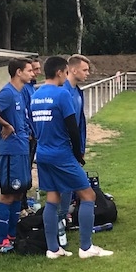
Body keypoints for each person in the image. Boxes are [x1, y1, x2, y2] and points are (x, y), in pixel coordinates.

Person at [30, 56, 113, 258]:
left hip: (43, 153)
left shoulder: (36, 95)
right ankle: (86, 247)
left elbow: (34, 127)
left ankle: (53, 249)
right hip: (61, 154)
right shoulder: (62, 94)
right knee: (88, 195)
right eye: (65, 72)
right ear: (60, 72)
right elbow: (72, 128)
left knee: (52, 198)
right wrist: (77, 154)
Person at [0, 57, 34, 253]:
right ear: (18, 72)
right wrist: (5, 125)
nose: (32, 74)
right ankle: (2, 241)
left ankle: (12, 235)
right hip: (10, 151)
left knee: (19, 192)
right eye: (29, 70)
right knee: (8, 194)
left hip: (21, 149)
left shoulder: (20, 93)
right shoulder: (8, 92)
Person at [58, 54, 90, 225]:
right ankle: (60, 219)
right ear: (73, 70)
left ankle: (63, 217)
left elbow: (80, 122)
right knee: (66, 185)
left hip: (74, 147)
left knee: (69, 185)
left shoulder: (78, 92)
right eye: (85, 70)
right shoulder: (62, 91)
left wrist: (81, 147)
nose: (87, 73)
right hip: (62, 147)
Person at [20, 57, 42, 211]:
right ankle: (21, 205)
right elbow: (23, 113)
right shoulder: (23, 89)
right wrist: (27, 131)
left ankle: (24, 202)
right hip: (27, 137)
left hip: (33, 135)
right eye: (34, 69)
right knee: (23, 170)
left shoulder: (31, 87)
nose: (37, 72)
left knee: (28, 170)